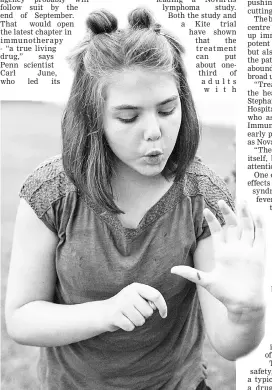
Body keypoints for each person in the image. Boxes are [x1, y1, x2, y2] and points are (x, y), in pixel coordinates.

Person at [5, 8, 266, 390]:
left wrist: (248, 311)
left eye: (167, 109)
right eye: (128, 117)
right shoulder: (51, 193)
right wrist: (106, 313)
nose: (154, 133)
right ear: (92, 119)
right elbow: (21, 318)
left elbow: (228, 345)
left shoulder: (202, 197)